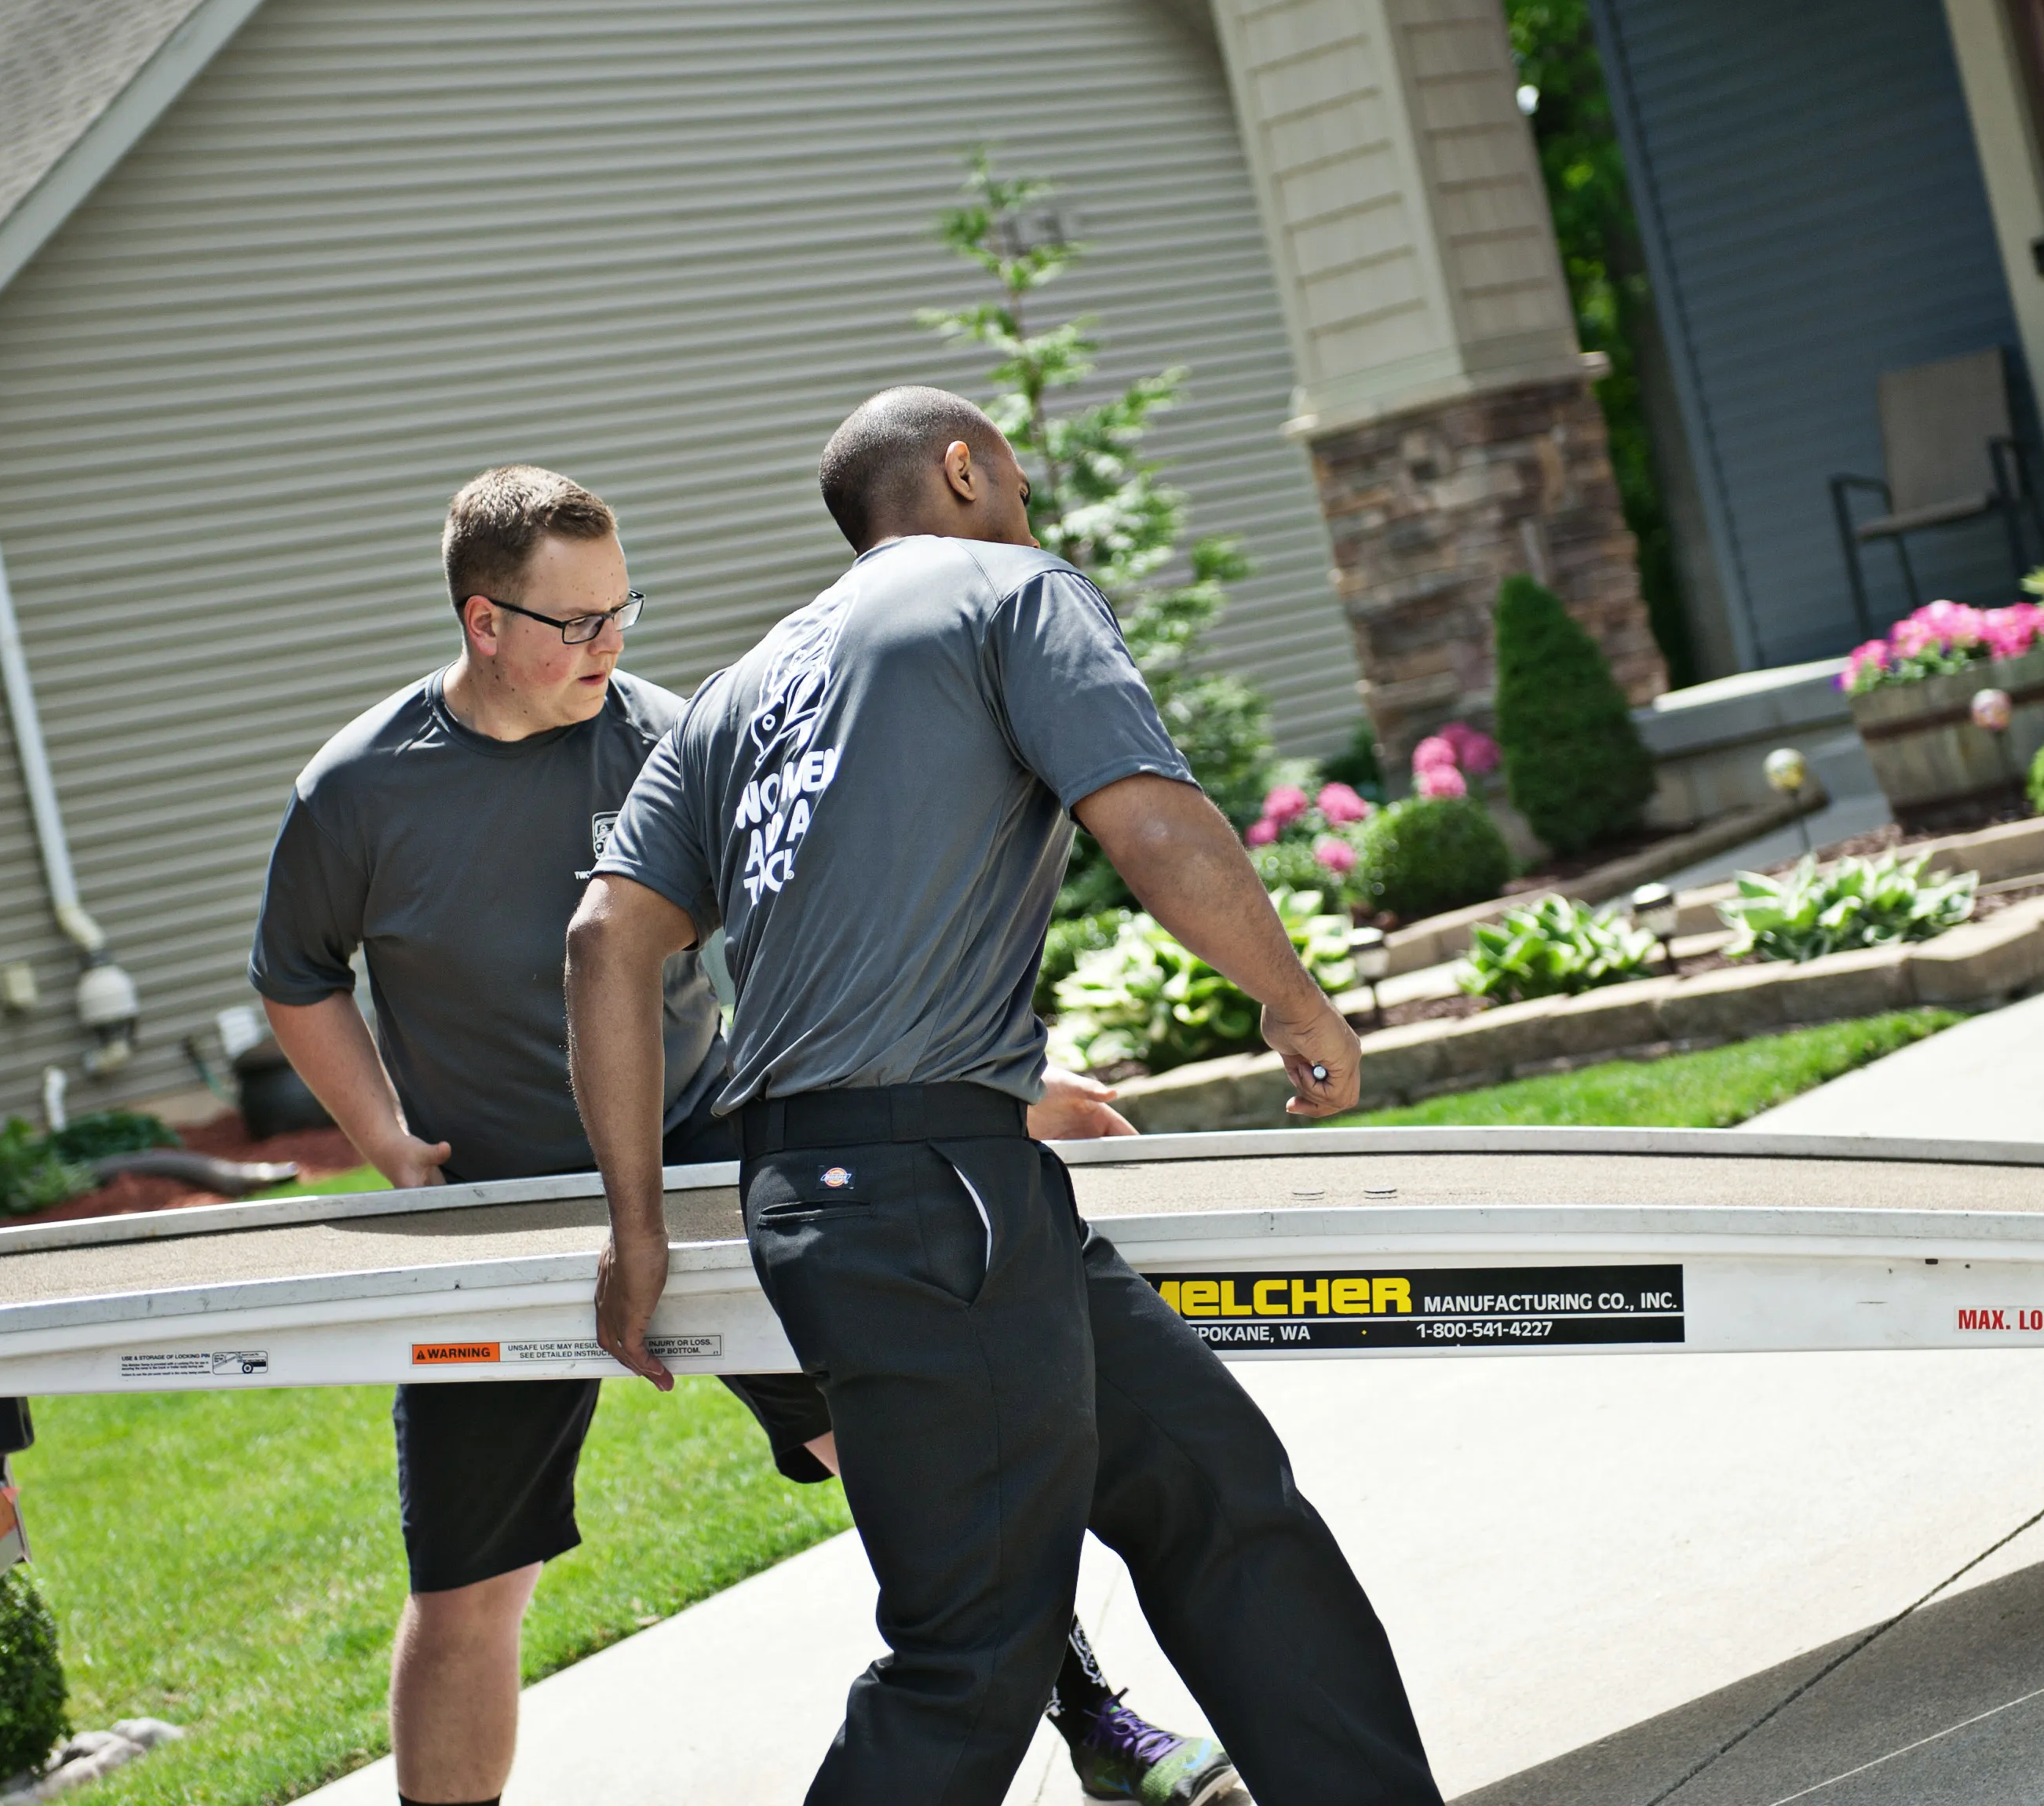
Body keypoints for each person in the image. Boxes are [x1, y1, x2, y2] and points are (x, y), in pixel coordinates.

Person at [246, 464, 1243, 1806]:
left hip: (720, 1172)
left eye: (621, 611)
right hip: (501, 1215)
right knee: (470, 1589)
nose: (609, 646)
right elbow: (297, 975)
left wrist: (1004, 1084)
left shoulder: (675, 737)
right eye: (572, 623)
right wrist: (386, 1137)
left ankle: (1088, 1717)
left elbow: (833, 938)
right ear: (484, 623)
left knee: (932, 1484)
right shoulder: (359, 790)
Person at [571, 393, 1442, 1806]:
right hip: (926, 1206)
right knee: (974, 1642)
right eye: (1017, 475)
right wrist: (1293, 996)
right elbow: (1151, 816)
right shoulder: (1009, 589)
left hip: (898, 1187)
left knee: (1218, 1493)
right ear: (966, 468)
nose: (1030, 504)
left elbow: (605, 940)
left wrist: (639, 1223)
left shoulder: (740, 692)